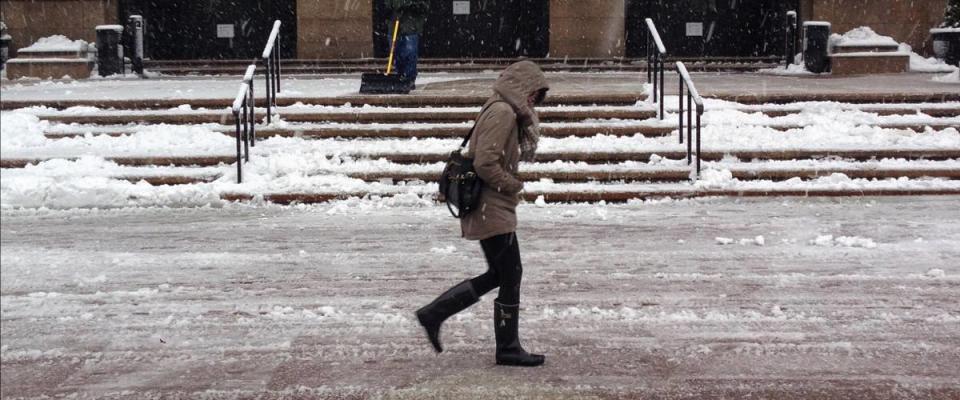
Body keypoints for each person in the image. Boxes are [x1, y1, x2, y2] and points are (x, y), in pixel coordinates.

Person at [416, 61, 550, 367]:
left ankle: (435, 314)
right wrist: (513, 184)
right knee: (509, 274)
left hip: (493, 206)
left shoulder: (505, 109)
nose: (533, 101)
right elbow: (485, 164)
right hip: (491, 207)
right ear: (521, 87)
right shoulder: (503, 111)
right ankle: (506, 347)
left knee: (500, 274)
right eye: (532, 94)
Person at [384, 0, 428, 90]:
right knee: (395, 53)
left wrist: (409, 5)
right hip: (394, 26)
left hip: (411, 27)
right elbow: (387, 5)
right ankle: (400, 76)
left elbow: (424, 6)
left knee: (410, 53)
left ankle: (409, 78)